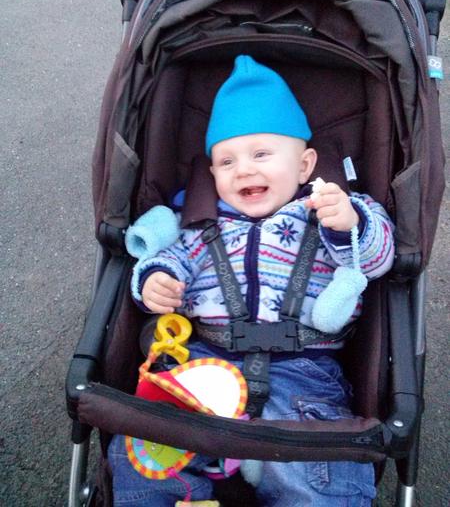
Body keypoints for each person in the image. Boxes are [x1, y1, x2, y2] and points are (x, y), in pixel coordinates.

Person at [108, 55, 395, 506]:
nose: (243, 169)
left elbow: (376, 261)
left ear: (305, 165)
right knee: (141, 454)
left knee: (319, 481)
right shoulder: (200, 226)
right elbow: (167, 260)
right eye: (227, 161)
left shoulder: (327, 212)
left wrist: (350, 222)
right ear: (212, 174)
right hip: (203, 365)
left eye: (261, 154)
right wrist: (155, 281)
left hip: (302, 375)